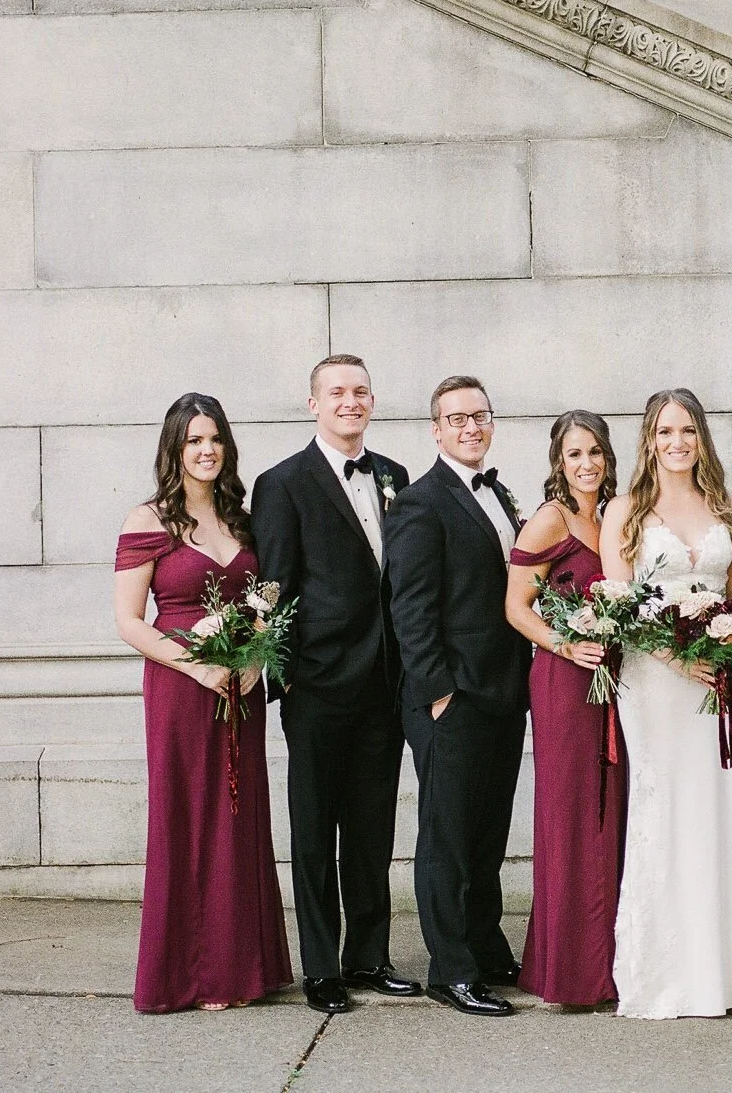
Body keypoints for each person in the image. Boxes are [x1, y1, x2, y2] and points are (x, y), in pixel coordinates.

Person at [600, 388, 732, 1018]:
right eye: (664, 432)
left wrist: (725, 644)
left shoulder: (725, 506)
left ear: (702, 438)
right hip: (655, 681)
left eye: (687, 431)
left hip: (722, 676)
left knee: (725, 803)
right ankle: (668, 971)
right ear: (649, 441)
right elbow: (618, 603)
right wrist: (677, 657)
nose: (677, 442)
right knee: (666, 806)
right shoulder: (625, 510)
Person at [113, 393, 292, 1013]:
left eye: (214, 438)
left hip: (241, 688)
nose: (206, 450)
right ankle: (191, 974)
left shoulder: (242, 521)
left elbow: (264, 605)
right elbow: (130, 622)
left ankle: (241, 969)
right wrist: (200, 665)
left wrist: (251, 663)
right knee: (187, 818)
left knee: (239, 820)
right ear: (174, 449)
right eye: (193, 440)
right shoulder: (148, 521)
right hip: (180, 690)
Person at [251, 355, 417, 1015]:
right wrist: (285, 680)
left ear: (372, 401)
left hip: (384, 684)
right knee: (316, 833)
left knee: (372, 831)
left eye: (360, 392)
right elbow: (274, 587)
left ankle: (369, 956)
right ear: (313, 404)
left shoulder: (394, 477)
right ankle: (321, 966)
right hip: (317, 688)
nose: (351, 402)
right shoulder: (282, 484)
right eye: (337, 393)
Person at [387, 375, 530, 1018]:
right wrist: (438, 690)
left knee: (488, 828)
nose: (471, 428)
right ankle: (451, 968)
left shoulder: (498, 492)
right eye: (457, 419)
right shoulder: (420, 502)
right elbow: (410, 608)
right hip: (453, 695)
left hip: (503, 690)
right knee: (448, 832)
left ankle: (484, 941)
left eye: (480, 416)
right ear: (435, 430)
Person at [504, 411, 625, 1008]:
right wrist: (565, 643)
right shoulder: (549, 519)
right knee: (572, 815)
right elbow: (517, 606)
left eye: (596, 452)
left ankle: (610, 960)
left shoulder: (615, 514)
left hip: (617, 683)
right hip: (564, 682)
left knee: (614, 813)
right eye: (575, 454)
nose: (587, 464)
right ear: (559, 460)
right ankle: (570, 970)